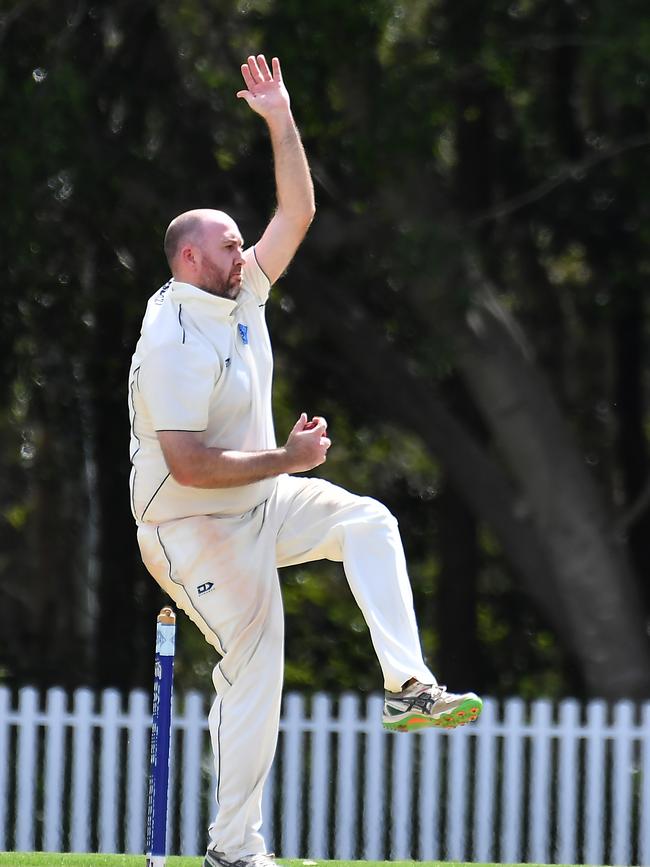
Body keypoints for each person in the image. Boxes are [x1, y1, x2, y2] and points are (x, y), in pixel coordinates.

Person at [128, 54, 482, 867]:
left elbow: (298, 211)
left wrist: (280, 117)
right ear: (191, 262)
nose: (243, 250)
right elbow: (185, 465)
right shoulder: (173, 340)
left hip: (256, 497)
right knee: (259, 658)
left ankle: (405, 687)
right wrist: (286, 455)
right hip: (187, 525)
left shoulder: (238, 290)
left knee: (369, 521)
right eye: (227, 245)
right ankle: (234, 853)